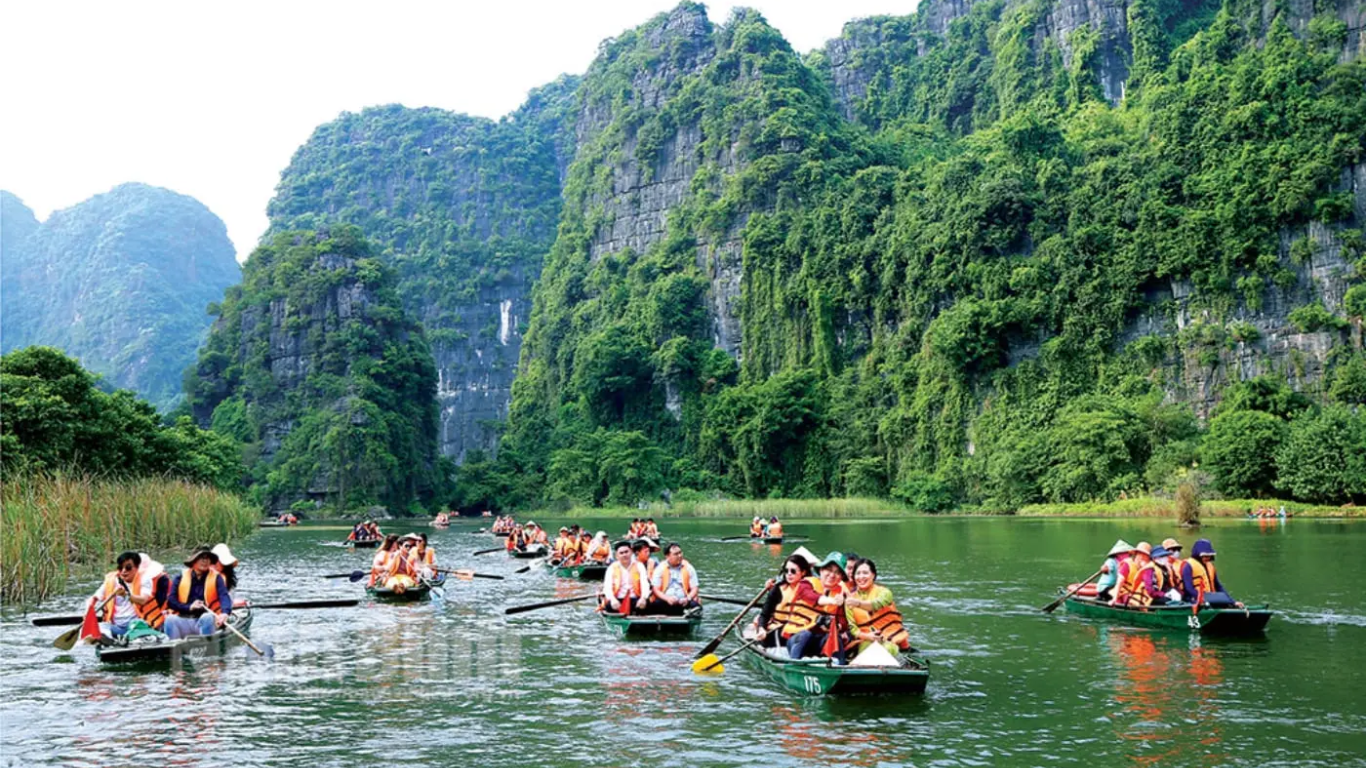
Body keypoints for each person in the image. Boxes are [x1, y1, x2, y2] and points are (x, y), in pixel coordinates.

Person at [786, 552, 850, 662]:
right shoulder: (806, 584)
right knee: (806, 634)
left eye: (837, 572)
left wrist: (834, 626)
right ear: (821, 570)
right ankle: (793, 666)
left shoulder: (840, 594)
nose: (832, 575)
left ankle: (840, 668)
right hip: (797, 637)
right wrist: (833, 601)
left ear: (840, 578)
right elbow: (812, 597)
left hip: (820, 642)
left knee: (835, 638)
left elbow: (843, 623)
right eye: (828, 570)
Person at [749, 554, 820, 649]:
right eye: (786, 571)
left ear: (803, 572)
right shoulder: (778, 589)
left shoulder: (813, 588)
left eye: (793, 571)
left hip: (800, 630)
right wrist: (762, 628)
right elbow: (764, 615)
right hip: (777, 631)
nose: (789, 574)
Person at [91, 551, 167, 638]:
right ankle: (109, 640)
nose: (123, 571)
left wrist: (126, 595)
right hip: (116, 626)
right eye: (120, 568)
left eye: (128, 567)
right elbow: (94, 598)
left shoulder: (145, 580)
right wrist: (89, 608)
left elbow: (143, 600)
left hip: (137, 625)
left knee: (137, 626)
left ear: (137, 568)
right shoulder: (111, 581)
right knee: (99, 628)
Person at [845, 559, 911, 656]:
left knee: (887, 648)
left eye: (865, 573)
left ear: (873, 575)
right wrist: (867, 636)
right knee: (866, 649)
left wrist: (858, 603)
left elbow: (875, 604)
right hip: (866, 639)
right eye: (858, 573)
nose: (861, 577)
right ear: (854, 577)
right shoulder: (850, 599)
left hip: (890, 639)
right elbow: (852, 628)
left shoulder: (885, 592)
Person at [164, 547, 232, 640]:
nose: (205, 561)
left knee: (207, 617)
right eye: (201, 557)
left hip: (206, 622)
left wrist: (225, 613)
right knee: (170, 619)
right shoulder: (180, 577)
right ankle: (173, 649)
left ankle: (206, 648)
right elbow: (171, 601)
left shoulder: (216, 577)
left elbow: (224, 596)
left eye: (207, 558)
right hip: (185, 620)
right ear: (193, 561)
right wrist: (190, 607)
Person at [1181, 538, 1243, 608]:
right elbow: (1189, 588)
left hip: (1211, 599)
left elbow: (1218, 586)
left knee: (1228, 605)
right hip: (1194, 599)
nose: (1207, 558)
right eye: (1205, 556)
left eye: (1209, 556)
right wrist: (1203, 599)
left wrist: (1232, 601)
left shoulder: (1210, 566)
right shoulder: (1188, 566)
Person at [648, 542, 699, 615]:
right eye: (676, 554)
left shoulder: (689, 567)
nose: (680, 556)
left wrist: (688, 598)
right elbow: (655, 589)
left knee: (695, 606)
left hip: (684, 601)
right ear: (667, 556)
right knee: (653, 606)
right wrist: (667, 598)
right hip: (665, 601)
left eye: (680, 553)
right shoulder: (660, 568)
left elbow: (695, 588)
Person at [601, 541, 650, 615]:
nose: (624, 555)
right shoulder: (612, 568)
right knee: (610, 606)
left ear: (631, 553)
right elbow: (607, 587)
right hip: (618, 599)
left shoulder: (639, 566)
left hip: (635, 599)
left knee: (646, 604)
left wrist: (643, 598)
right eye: (621, 553)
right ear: (617, 556)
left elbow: (645, 584)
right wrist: (613, 599)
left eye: (626, 552)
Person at [211, 543, 240, 607]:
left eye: (218, 561)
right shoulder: (204, 574)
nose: (215, 564)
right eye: (214, 561)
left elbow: (229, 601)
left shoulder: (229, 581)